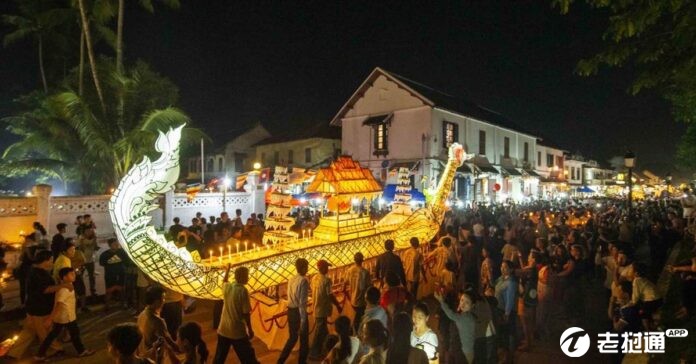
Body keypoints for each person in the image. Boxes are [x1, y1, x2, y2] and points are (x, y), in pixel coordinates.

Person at [7, 250, 68, 359]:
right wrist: (63, 286)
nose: (52, 262)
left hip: (33, 306)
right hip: (39, 308)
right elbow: (45, 289)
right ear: (45, 261)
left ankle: (13, 353)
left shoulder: (36, 271)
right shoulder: (37, 273)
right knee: (44, 332)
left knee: (29, 331)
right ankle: (55, 349)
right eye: (51, 260)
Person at [35, 267, 95, 360]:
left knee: (54, 335)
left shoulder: (66, 285)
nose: (74, 276)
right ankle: (81, 351)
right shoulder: (64, 289)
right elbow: (59, 304)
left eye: (74, 274)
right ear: (64, 277)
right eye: (71, 274)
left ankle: (40, 354)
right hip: (67, 317)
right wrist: (50, 319)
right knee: (74, 334)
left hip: (63, 317)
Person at [214, 266, 259, 364]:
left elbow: (224, 281)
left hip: (223, 329)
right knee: (248, 358)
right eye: (247, 276)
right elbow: (246, 313)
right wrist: (250, 329)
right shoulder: (243, 291)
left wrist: (228, 269)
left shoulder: (228, 287)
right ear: (242, 277)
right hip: (237, 331)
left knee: (219, 358)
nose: (248, 278)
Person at [278, 258, 310, 364]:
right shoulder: (304, 281)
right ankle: (302, 362)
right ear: (302, 268)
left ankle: (281, 360)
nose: (308, 269)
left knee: (292, 338)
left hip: (290, 311)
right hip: (298, 312)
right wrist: (303, 320)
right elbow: (302, 303)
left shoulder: (291, 279)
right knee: (304, 340)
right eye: (306, 267)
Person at [310, 260, 343, 359]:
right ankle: (313, 353)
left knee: (323, 330)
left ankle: (328, 348)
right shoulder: (326, 280)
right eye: (327, 267)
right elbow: (330, 295)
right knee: (319, 331)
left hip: (316, 307)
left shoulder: (314, 278)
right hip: (322, 309)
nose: (328, 269)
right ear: (323, 268)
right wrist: (337, 305)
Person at [137, 286, 179, 362]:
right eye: (163, 298)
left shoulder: (141, 315)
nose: (164, 301)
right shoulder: (157, 321)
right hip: (153, 357)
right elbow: (169, 341)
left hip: (143, 355)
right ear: (156, 301)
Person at [435, 289, 475, 363]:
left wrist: (441, 301)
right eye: (462, 300)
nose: (463, 304)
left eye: (467, 302)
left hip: (465, 353)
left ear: (472, 306)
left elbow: (450, 314)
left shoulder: (464, 318)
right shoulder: (470, 316)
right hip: (469, 350)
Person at [627, 262, 662, 330]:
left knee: (643, 314)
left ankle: (648, 330)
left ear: (636, 273)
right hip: (658, 298)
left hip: (652, 300)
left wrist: (632, 303)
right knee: (648, 311)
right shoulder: (643, 279)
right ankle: (654, 325)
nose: (628, 270)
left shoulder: (636, 281)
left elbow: (636, 295)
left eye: (630, 269)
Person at [494, 260, 517, 363]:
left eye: (505, 267)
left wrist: (506, 314)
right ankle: (505, 355)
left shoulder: (511, 283)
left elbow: (510, 299)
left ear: (511, 270)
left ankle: (508, 358)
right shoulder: (501, 279)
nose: (502, 269)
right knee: (502, 334)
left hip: (506, 312)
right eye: (501, 267)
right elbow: (493, 285)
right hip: (499, 310)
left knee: (507, 334)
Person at [344, 252, 371, 334]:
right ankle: (357, 334)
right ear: (362, 261)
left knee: (357, 318)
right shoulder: (365, 272)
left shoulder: (349, 270)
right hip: (362, 300)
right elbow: (369, 287)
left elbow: (344, 285)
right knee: (360, 319)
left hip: (352, 300)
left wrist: (349, 297)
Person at [100, 238, 129, 310]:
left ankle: (123, 304)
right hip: (110, 275)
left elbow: (127, 261)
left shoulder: (122, 252)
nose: (116, 245)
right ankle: (107, 305)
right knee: (109, 290)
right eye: (114, 244)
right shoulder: (105, 254)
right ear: (110, 245)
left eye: (117, 243)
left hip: (121, 273)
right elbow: (102, 263)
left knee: (122, 289)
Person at [402, 237, 427, 302]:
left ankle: (411, 303)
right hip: (415, 276)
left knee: (410, 290)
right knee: (414, 291)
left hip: (407, 275)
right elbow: (421, 267)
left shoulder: (406, 252)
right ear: (417, 243)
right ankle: (413, 304)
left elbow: (404, 263)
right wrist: (425, 277)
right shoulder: (418, 254)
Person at [77, 227, 98, 297]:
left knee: (92, 276)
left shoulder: (93, 238)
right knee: (80, 276)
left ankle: (93, 290)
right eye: (87, 231)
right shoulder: (81, 238)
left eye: (90, 231)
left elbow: (95, 247)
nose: (89, 232)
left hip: (90, 260)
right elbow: (81, 248)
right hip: (82, 261)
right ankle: (81, 291)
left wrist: (95, 239)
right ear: (84, 232)